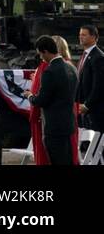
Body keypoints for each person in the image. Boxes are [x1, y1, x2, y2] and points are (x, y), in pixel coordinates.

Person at [30, 34, 79, 164]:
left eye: (40, 54)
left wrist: (29, 96)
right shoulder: (71, 68)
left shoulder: (49, 71)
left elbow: (41, 100)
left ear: (45, 51)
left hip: (54, 128)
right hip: (69, 125)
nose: (41, 57)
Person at [76, 24, 103, 132]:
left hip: (93, 111)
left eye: (84, 35)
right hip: (82, 109)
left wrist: (87, 105)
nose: (80, 37)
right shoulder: (85, 55)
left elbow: (99, 86)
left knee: (92, 144)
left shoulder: (99, 57)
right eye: (80, 34)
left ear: (94, 37)